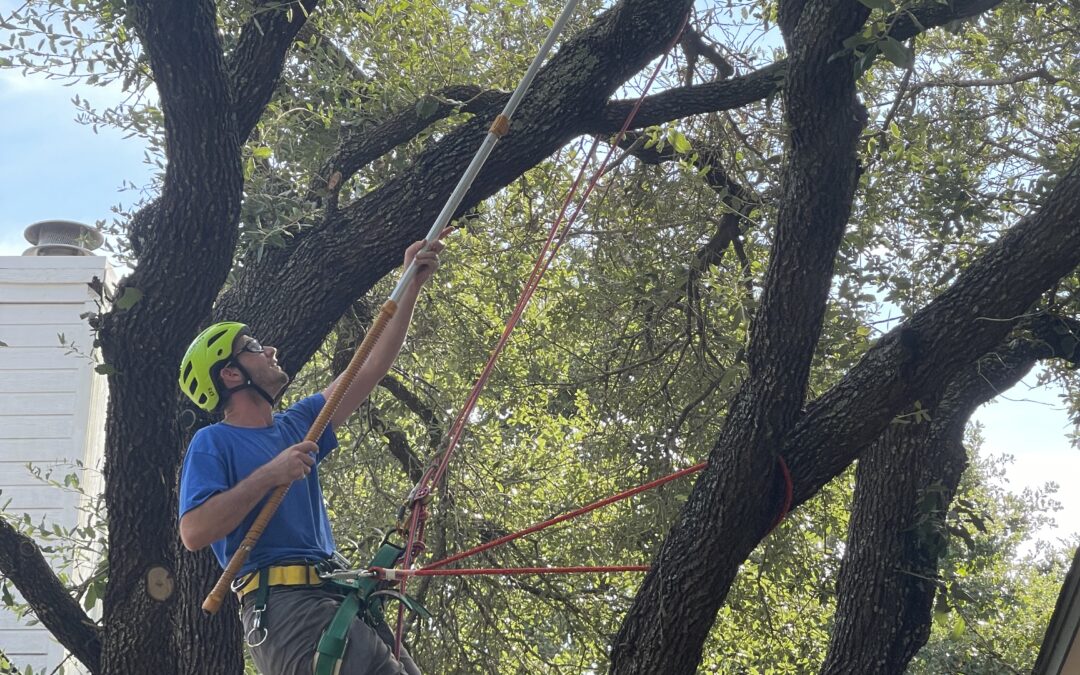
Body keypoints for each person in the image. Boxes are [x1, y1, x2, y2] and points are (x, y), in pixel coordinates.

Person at [177, 239, 443, 675]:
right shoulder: (213, 442)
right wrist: (270, 474)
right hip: (285, 610)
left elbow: (370, 365)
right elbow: (194, 531)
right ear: (230, 373)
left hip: (336, 595)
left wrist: (409, 283)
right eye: (255, 346)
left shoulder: (298, 424)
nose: (271, 351)